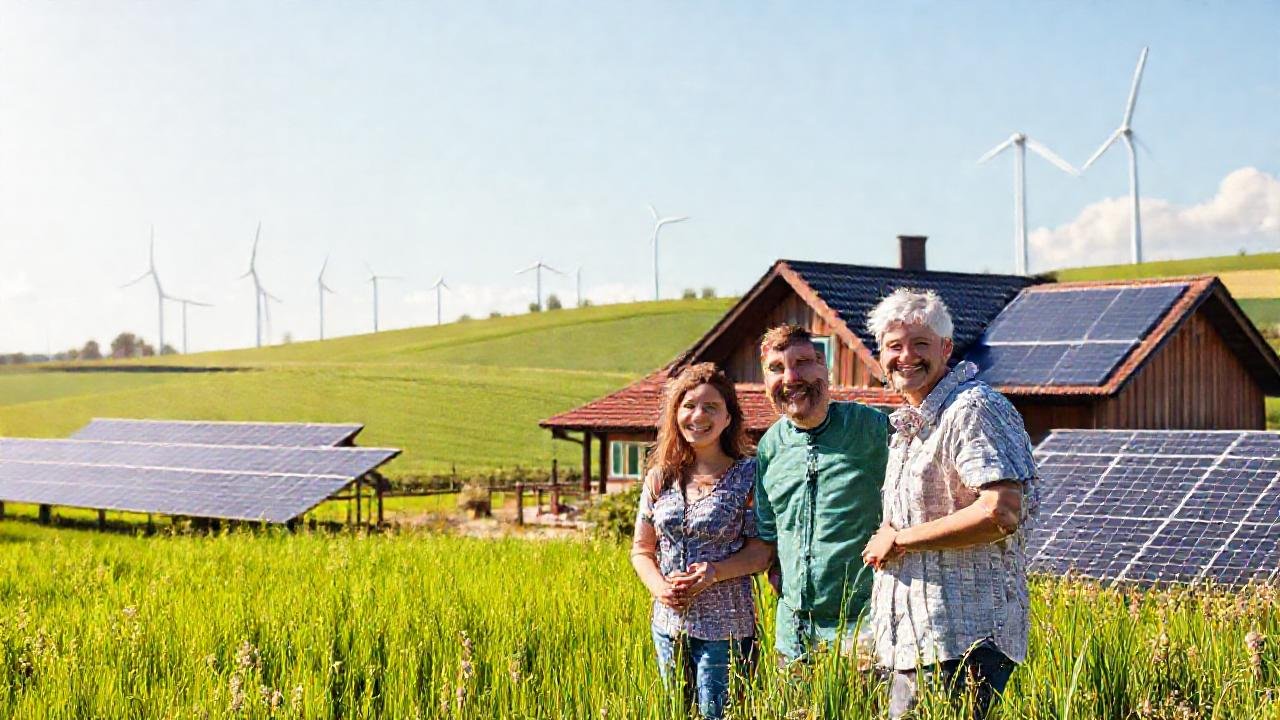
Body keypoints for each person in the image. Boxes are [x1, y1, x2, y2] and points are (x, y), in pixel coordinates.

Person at [860, 289, 1038, 720]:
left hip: (962, 640)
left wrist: (900, 540)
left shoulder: (973, 409)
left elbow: (1000, 511)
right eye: (894, 346)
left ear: (945, 348)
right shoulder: (913, 423)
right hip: (920, 639)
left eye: (920, 344)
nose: (906, 356)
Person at [749, 324, 890, 661]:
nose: (790, 377)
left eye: (803, 363)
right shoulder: (770, 447)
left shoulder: (871, 428)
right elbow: (768, 529)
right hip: (793, 634)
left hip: (863, 627)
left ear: (825, 369)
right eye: (776, 369)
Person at [630, 362, 760, 719]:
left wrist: (714, 573)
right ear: (676, 414)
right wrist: (660, 589)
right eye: (688, 406)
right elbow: (641, 550)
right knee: (674, 713)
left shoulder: (749, 475)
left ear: (728, 418)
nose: (698, 415)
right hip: (668, 627)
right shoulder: (660, 477)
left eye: (710, 407)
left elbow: (763, 552)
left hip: (727, 628)